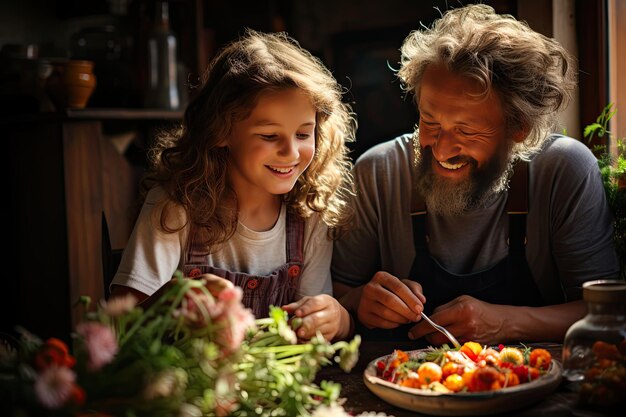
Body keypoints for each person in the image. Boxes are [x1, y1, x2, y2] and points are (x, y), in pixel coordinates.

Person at [332, 4, 620, 346]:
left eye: (466, 131)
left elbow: (607, 312)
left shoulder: (564, 169)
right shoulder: (379, 172)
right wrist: (358, 302)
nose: (440, 150)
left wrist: (507, 323)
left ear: (519, 129)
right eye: (430, 122)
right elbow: (336, 293)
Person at [110, 30, 356, 342]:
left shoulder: (310, 214)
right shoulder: (175, 206)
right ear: (221, 131)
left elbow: (311, 334)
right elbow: (118, 326)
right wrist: (170, 301)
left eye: (304, 134)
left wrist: (338, 319)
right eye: (269, 136)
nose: (291, 152)